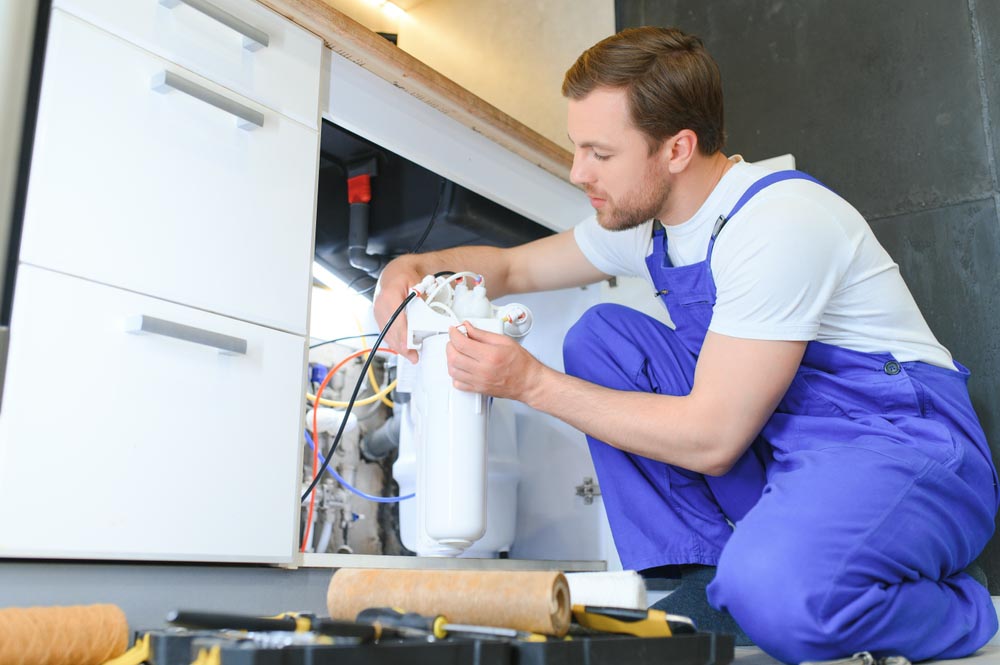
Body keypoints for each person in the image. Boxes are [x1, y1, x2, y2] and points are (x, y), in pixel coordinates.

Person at [373, 26, 999, 664]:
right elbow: (513, 270)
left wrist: (530, 383)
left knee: (780, 599)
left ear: (676, 149)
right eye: (575, 148)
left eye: (599, 153)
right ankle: (698, 582)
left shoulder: (776, 223)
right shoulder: (653, 227)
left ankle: (957, 607)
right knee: (604, 339)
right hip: (790, 456)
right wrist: (416, 265)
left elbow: (714, 440)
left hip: (903, 455)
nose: (576, 172)